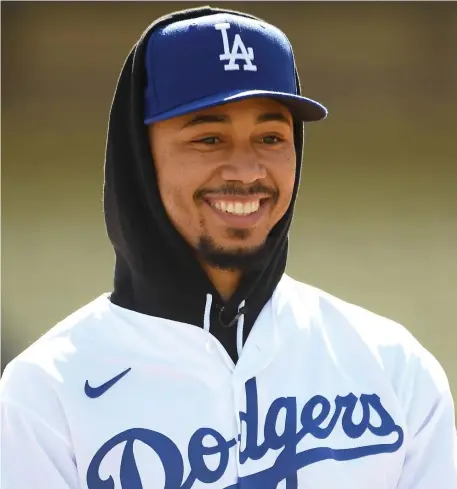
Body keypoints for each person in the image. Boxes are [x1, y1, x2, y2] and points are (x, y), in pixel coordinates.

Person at [1, 6, 456, 489]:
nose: (246, 170)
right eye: (209, 138)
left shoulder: (393, 369)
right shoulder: (45, 393)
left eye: (270, 137)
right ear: (140, 156)